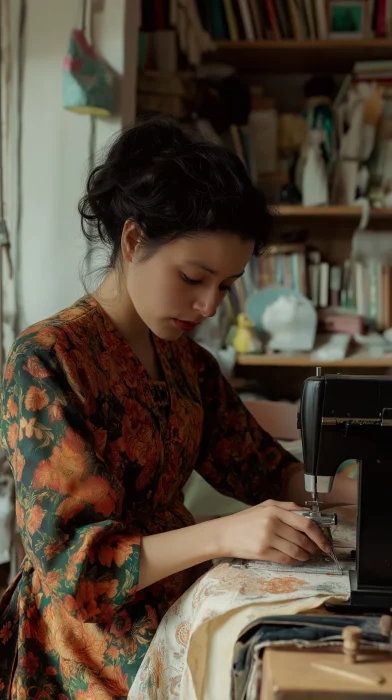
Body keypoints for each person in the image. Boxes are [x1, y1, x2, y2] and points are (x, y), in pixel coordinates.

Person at [0, 117, 357, 699]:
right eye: (194, 277)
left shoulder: (187, 363)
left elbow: (262, 468)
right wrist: (224, 535)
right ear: (134, 240)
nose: (208, 304)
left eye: (226, 285)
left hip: (181, 613)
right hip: (84, 656)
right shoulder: (48, 359)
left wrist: (347, 488)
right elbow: (77, 573)